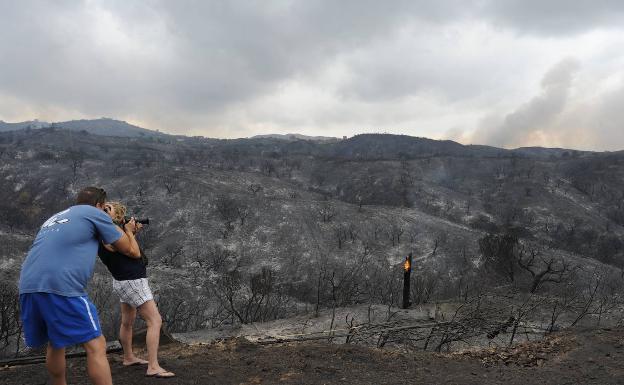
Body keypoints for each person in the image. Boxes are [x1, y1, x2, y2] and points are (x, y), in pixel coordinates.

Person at [18, 187, 141, 385]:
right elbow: (128, 250)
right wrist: (127, 229)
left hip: (28, 284)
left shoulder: (55, 217)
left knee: (56, 342)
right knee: (96, 345)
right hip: (60, 285)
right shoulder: (94, 213)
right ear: (100, 205)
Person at [99, 201, 175, 379]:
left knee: (127, 321)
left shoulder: (102, 231)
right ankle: (154, 366)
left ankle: (128, 357)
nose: (104, 209)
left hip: (122, 281)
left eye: (107, 208)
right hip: (133, 282)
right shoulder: (111, 230)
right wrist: (128, 232)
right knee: (155, 321)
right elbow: (135, 254)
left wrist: (131, 233)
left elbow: (125, 251)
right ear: (118, 217)